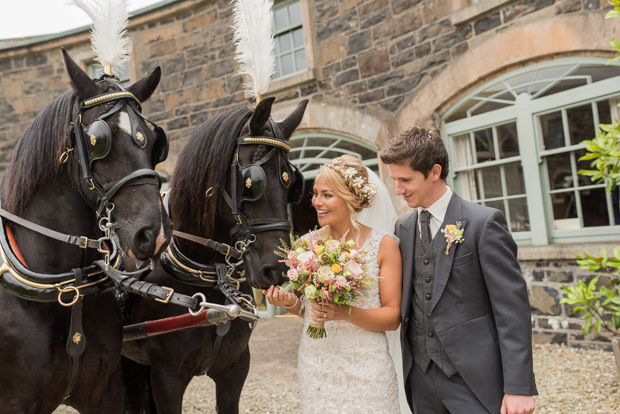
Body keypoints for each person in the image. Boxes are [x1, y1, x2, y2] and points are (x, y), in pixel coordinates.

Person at [379, 127, 538, 414]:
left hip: (473, 379)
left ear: (435, 171)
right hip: (420, 377)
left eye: (405, 180)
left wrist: (518, 387)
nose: (398, 190)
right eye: (394, 180)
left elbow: (512, 310)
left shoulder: (483, 223)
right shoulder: (402, 229)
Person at [263, 155, 404, 414]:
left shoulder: (384, 245)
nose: (316, 202)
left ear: (350, 198)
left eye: (327, 195)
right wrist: (290, 302)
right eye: (316, 194)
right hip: (317, 362)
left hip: (367, 364)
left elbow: (392, 316)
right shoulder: (303, 246)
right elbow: (308, 311)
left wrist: (345, 313)